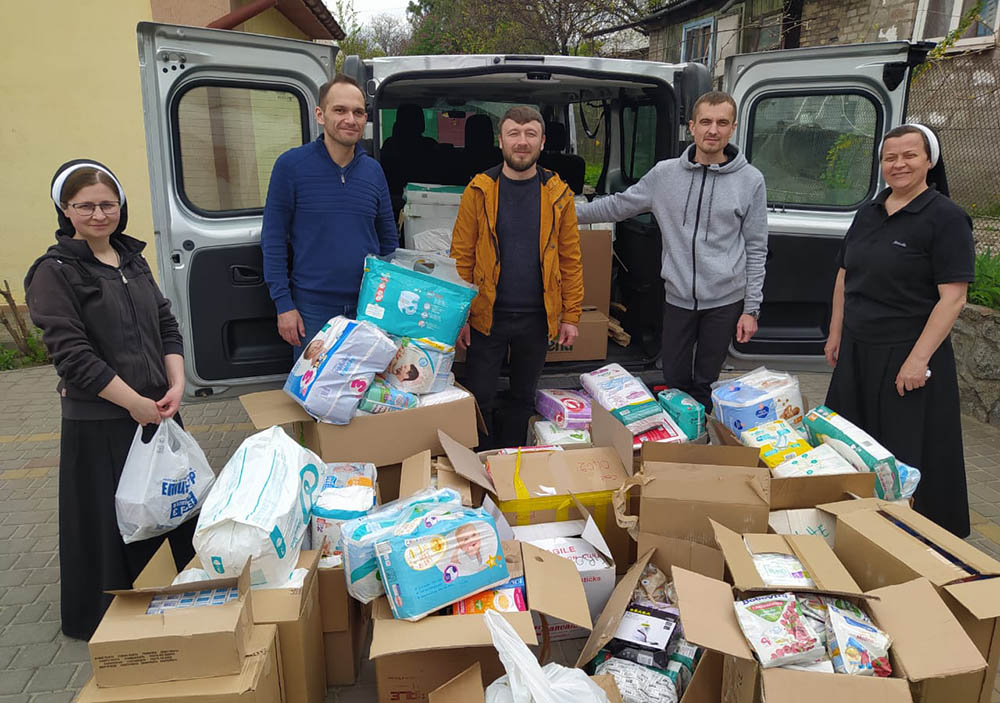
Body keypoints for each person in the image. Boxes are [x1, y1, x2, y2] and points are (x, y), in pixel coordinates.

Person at [25, 160, 192, 640]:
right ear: (65, 209)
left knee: (168, 508)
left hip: (158, 410)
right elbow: (72, 356)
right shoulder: (54, 272)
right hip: (101, 420)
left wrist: (174, 384)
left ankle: (175, 600)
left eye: (108, 203)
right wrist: (132, 402)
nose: (100, 214)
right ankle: (114, 621)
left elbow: (166, 325)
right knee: (113, 524)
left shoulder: (132, 260)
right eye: (86, 206)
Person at [824, 124, 974, 537]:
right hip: (857, 350)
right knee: (849, 442)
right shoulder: (869, 211)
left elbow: (953, 298)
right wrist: (836, 331)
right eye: (890, 157)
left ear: (930, 160)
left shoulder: (945, 218)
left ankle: (912, 534)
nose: (899, 164)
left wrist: (918, 359)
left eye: (910, 155)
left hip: (907, 355)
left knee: (904, 451)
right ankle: (854, 522)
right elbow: (844, 274)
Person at [575, 91, 768, 412]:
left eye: (722, 123)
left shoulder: (750, 181)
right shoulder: (665, 175)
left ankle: (696, 447)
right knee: (674, 378)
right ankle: (675, 439)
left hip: (724, 300)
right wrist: (560, 210)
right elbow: (619, 205)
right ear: (692, 127)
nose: (713, 130)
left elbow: (757, 247)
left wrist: (752, 309)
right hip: (678, 297)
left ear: (732, 128)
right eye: (705, 122)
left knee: (706, 382)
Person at [451, 106, 584, 449]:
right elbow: (461, 257)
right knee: (479, 394)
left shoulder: (559, 194)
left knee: (523, 397)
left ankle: (512, 460)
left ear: (542, 141)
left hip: (538, 317)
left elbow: (571, 258)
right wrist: (458, 315)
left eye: (529, 135)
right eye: (514, 134)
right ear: (501, 141)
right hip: (486, 317)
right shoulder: (479, 190)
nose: (521, 142)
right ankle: (480, 460)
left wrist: (570, 315)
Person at [262, 74, 397, 357]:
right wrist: (284, 305)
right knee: (314, 394)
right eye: (340, 110)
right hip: (312, 309)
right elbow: (273, 240)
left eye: (358, 112)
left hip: (367, 306)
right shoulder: (291, 167)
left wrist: (386, 301)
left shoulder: (374, 172)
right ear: (320, 115)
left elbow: (388, 243)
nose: (351, 119)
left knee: (363, 391)